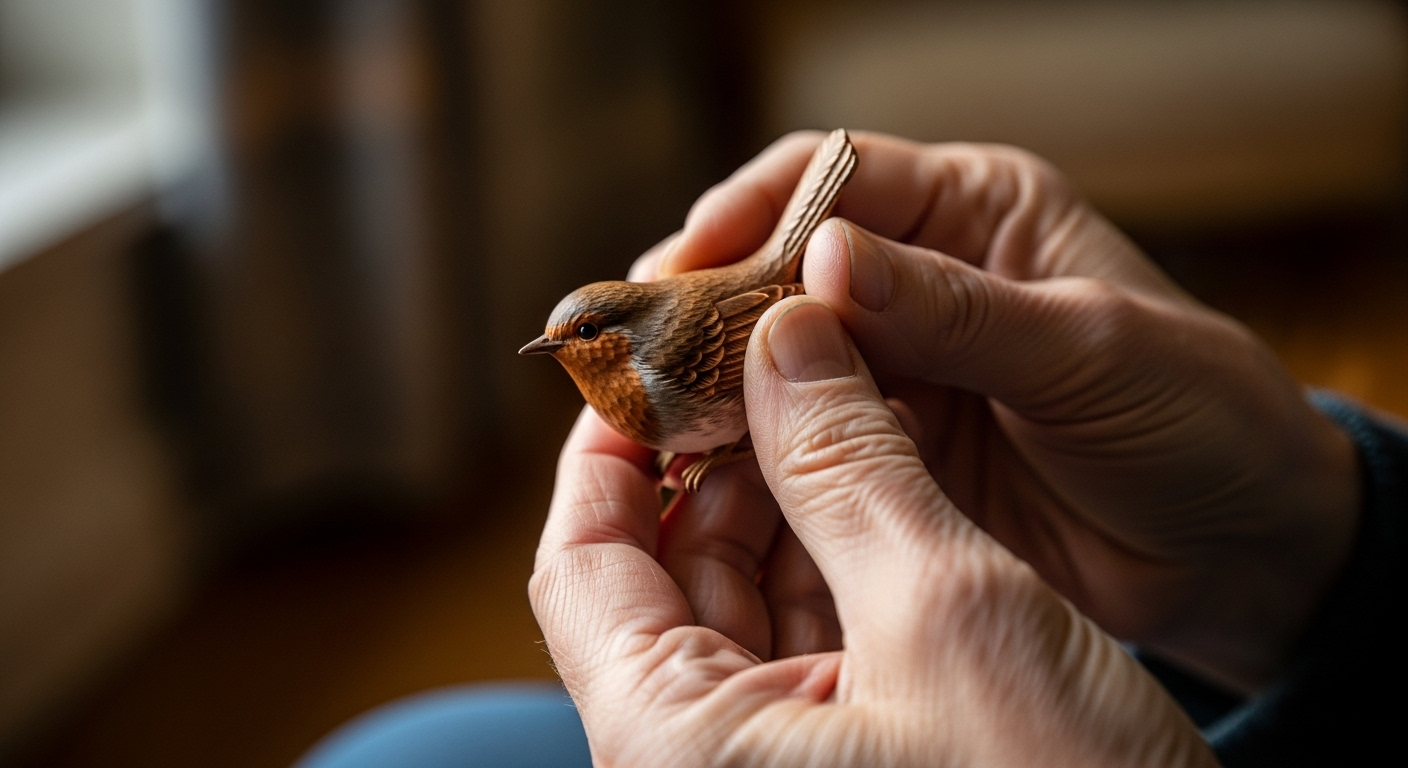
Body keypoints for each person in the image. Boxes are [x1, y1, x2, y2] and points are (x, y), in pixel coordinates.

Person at [299, 132, 1401, 767]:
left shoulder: (663, 360)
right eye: (563, 337)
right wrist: (1318, 535)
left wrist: (801, 411)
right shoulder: (624, 382)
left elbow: (755, 331)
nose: (563, 348)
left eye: (581, 335)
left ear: (616, 332)